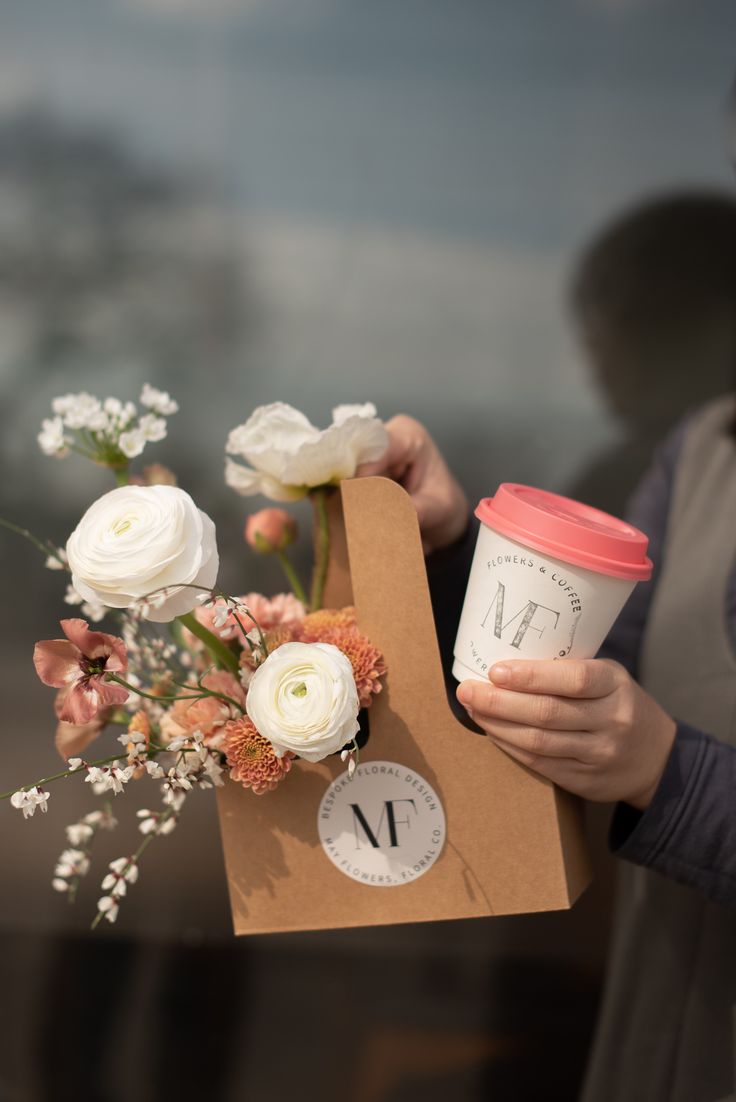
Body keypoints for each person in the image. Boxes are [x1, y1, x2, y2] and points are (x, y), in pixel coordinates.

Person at [357, 406, 736, 1102]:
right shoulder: (706, 449)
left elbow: (645, 735)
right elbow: (590, 664)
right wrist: (453, 550)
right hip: (662, 1014)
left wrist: (668, 771)